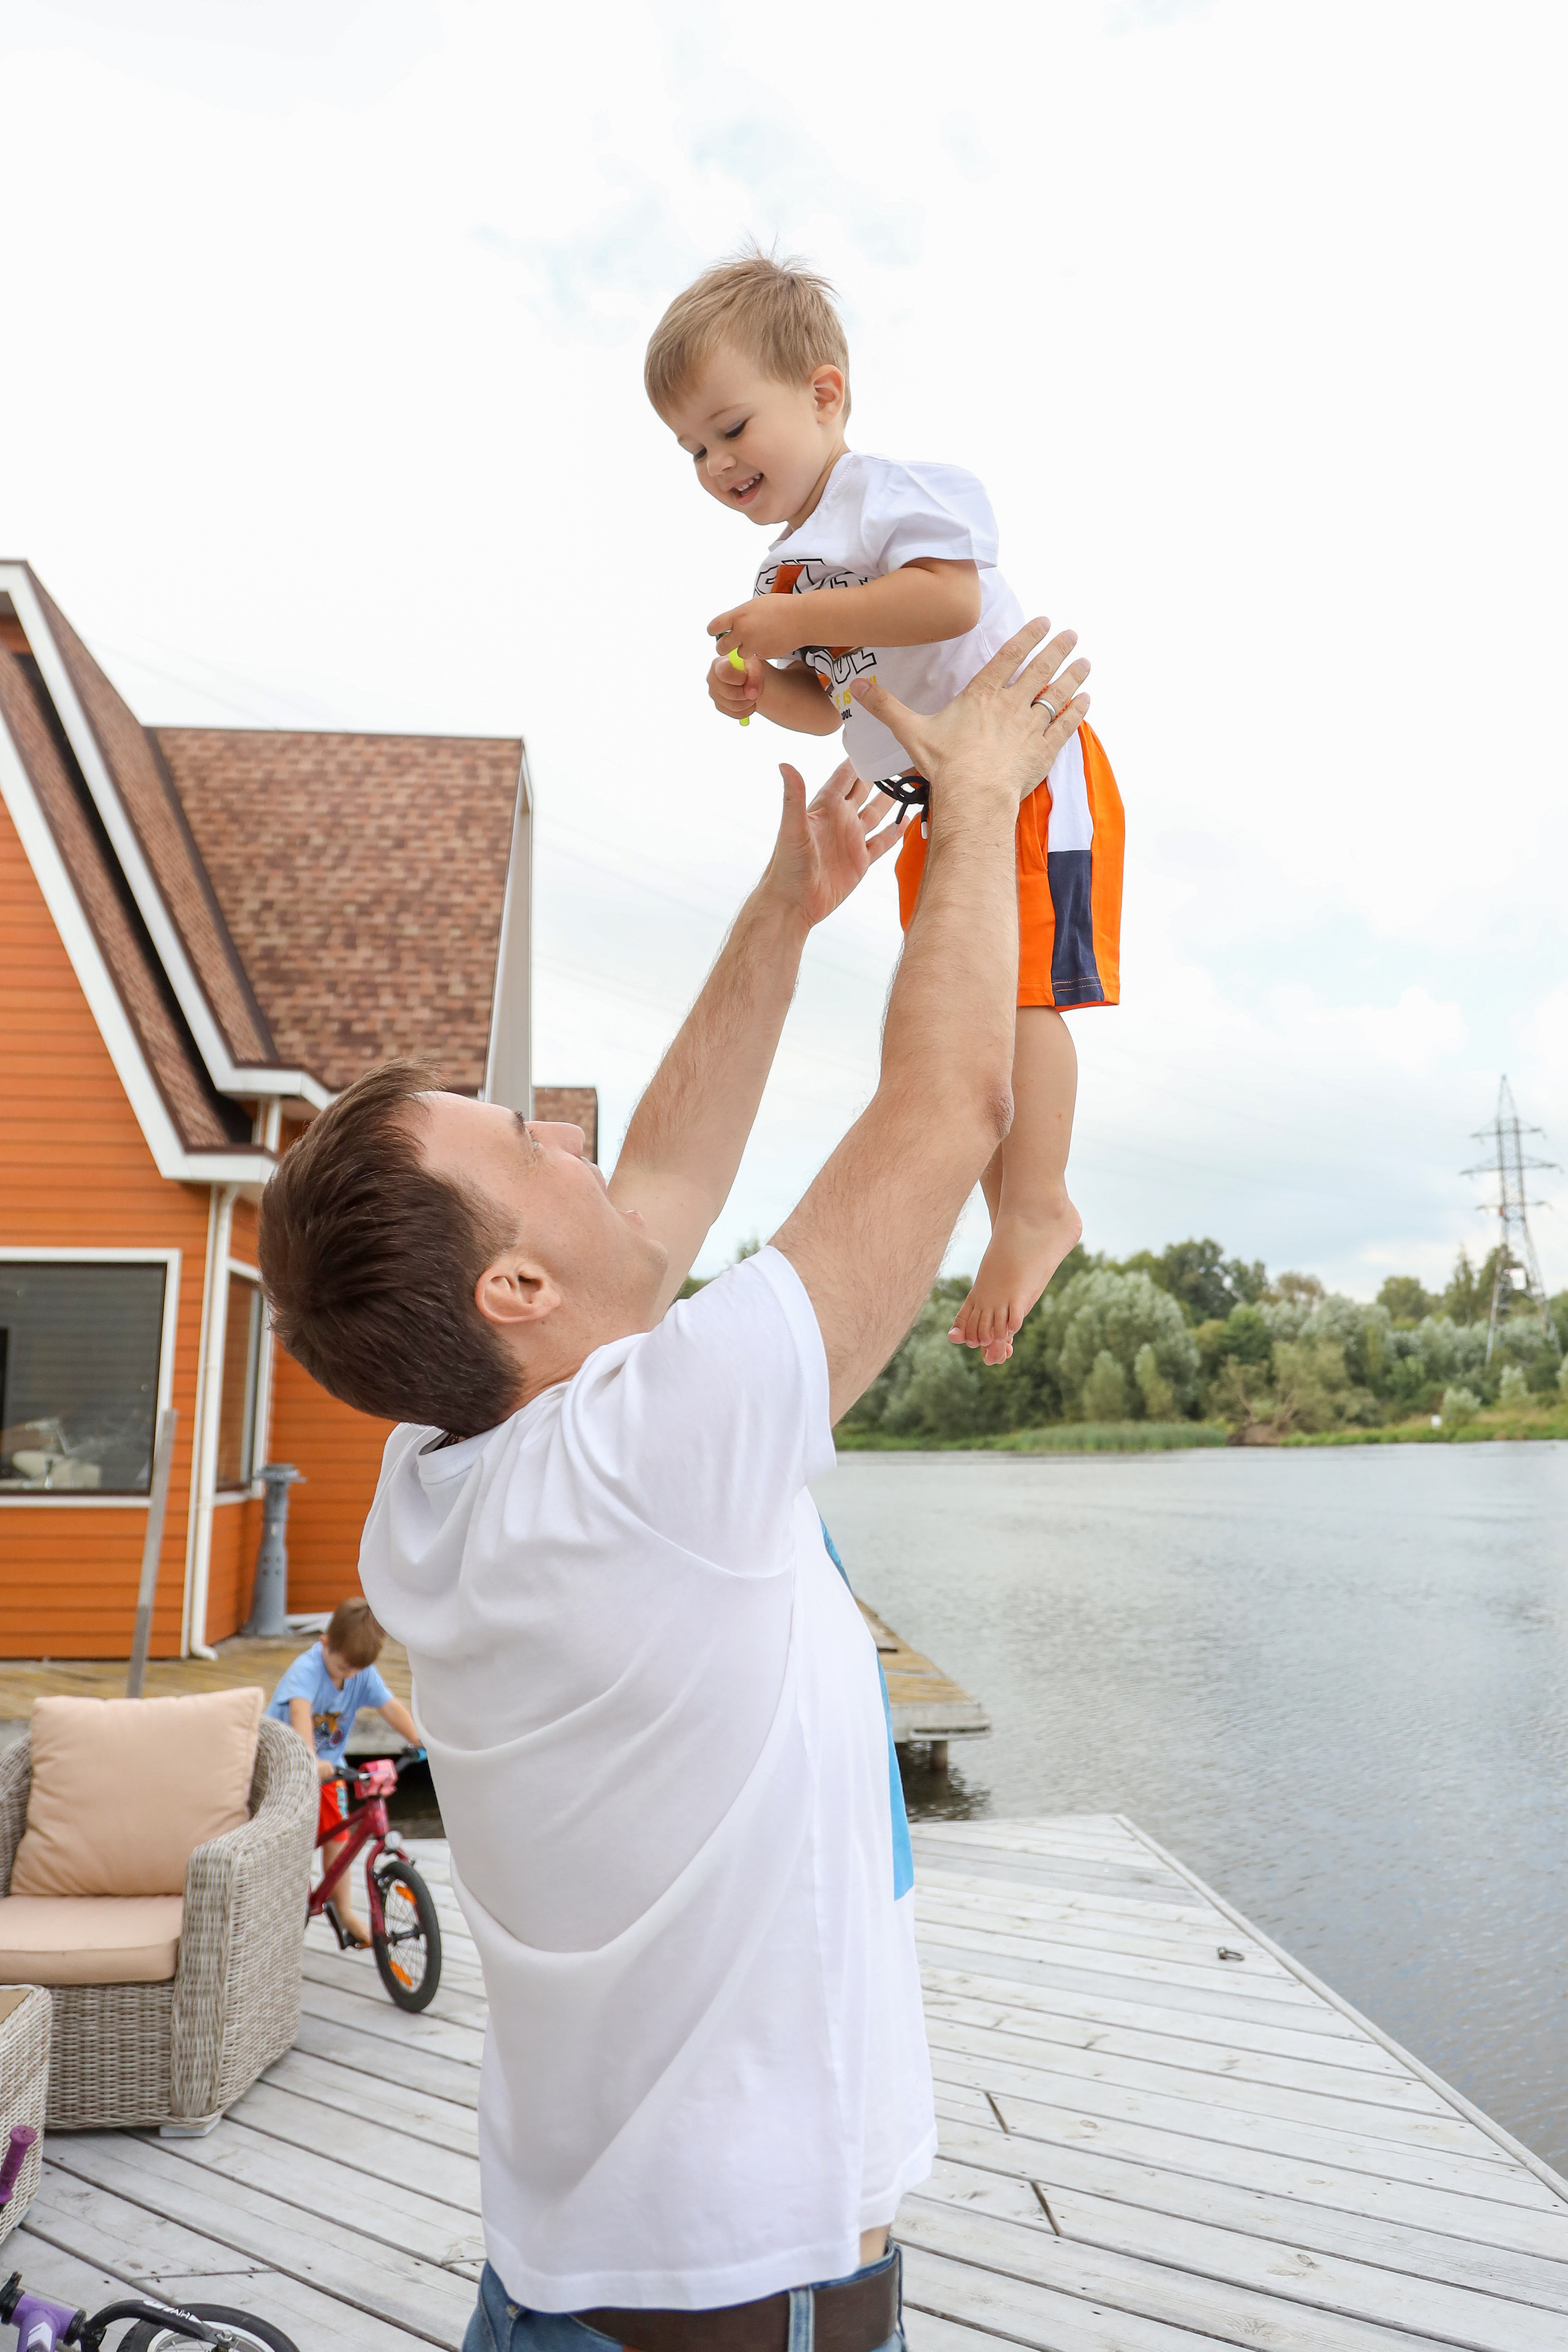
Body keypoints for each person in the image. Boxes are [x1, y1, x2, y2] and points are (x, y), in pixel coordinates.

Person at [257, 620, 1090, 2352]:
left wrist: (785, 910)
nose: (566, 1136)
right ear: (515, 1297)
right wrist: (992, 804)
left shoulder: (436, 1483)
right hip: (742, 2295)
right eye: (519, 1145)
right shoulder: (657, 1457)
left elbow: (656, 1181)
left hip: (566, 2276)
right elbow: (951, 1108)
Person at [645, 247, 1124, 1366]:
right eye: (692, 450)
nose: (716, 463)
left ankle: (1038, 1204)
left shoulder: (892, 494)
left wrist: (799, 622)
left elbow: (945, 595)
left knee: (1025, 991)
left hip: (1024, 763)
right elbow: (830, 710)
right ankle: (1012, 1206)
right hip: (937, 801)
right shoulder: (785, 575)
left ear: (823, 392)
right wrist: (760, 687)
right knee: (967, 1007)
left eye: (729, 427)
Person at [265, 1595, 421, 1947]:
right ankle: (285, 1902)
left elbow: (391, 1707)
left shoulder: (361, 1673)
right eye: (342, 1669)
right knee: (291, 1838)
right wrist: (309, 1757)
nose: (349, 1676)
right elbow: (300, 1712)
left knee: (339, 1834)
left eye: (355, 1670)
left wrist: (420, 1739)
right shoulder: (307, 1671)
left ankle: (345, 1911)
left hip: (327, 1770)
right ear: (325, 1644)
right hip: (284, 1764)